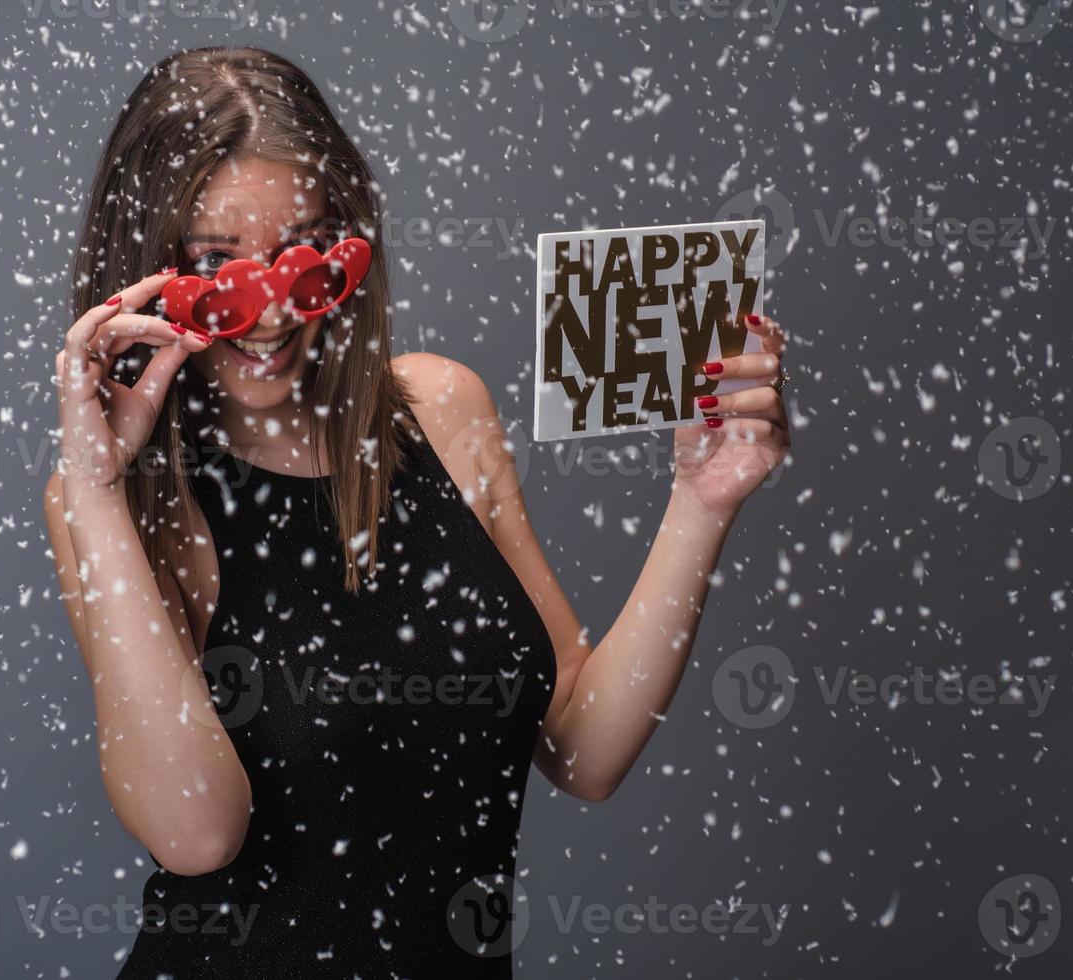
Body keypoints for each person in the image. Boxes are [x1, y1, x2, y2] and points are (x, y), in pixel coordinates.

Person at [43, 45, 790, 978]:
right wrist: (101, 488)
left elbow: (584, 749)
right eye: (219, 271)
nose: (273, 313)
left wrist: (701, 500)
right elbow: (195, 835)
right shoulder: (114, 498)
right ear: (147, 272)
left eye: (306, 258)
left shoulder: (443, 408)